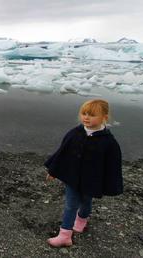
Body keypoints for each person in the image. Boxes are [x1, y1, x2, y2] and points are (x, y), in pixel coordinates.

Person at [44, 99, 123, 247]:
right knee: (70, 205)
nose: (86, 117)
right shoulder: (75, 133)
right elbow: (62, 153)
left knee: (86, 202)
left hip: (92, 180)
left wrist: (110, 185)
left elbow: (112, 165)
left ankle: (81, 220)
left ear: (104, 117)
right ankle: (65, 235)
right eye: (84, 113)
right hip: (72, 177)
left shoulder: (109, 142)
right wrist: (53, 170)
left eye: (92, 115)